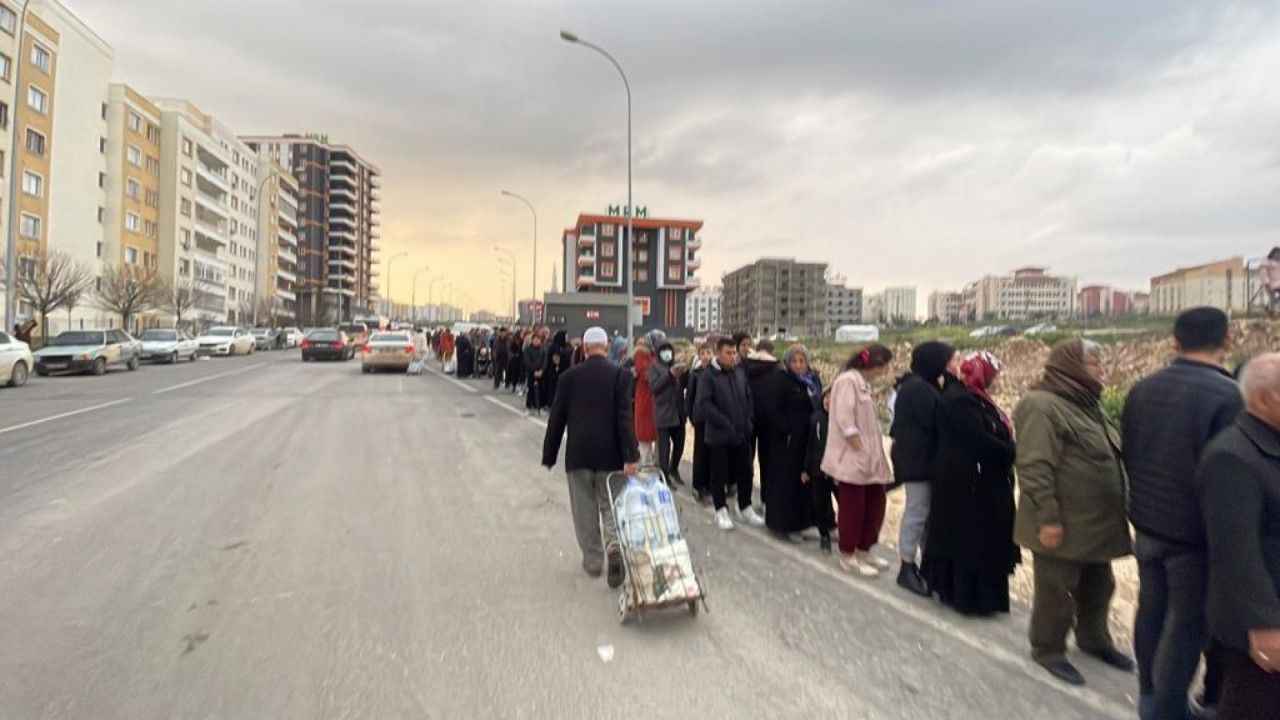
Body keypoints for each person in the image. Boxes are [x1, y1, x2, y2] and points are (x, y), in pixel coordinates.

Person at [1124, 307, 1243, 720]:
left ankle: (1148, 697)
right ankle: (1167, 709)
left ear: (1175, 341)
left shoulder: (1144, 388)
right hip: (1192, 534)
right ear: (1226, 339)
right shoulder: (1228, 396)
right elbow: (1227, 473)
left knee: (1151, 610)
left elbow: (1131, 451)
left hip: (1147, 522)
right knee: (1187, 623)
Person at [1014, 338, 1134, 686]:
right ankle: (1048, 650)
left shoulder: (1085, 405)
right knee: (1057, 591)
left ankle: (1094, 641)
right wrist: (1049, 519)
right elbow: (1035, 467)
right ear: (1070, 367)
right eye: (1093, 364)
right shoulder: (1041, 405)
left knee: (1100, 586)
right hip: (1062, 523)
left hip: (1095, 525)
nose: (1101, 370)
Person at [1198, 352, 1280, 719]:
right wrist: (1264, 625)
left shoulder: (1268, 445)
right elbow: (1236, 552)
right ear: (1264, 399)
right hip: (1259, 628)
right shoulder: (1232, 456)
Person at [541, 326, 641, 589]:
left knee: (584, 510)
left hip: (579, 455)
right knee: (610, 505)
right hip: (611, 456)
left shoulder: (568, 377)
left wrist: (549, 455)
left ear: (584, 349)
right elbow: (625, 419)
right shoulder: (620, 376)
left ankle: (594, 561)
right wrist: (631, 455)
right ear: (606, 347)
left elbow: (557, 420)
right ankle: (613, 547)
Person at [921, 351, 1020, 616]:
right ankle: (968, 598)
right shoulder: (960, 401)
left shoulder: (976, 399)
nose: (995, 382)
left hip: (979, 481)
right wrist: (1011, 451)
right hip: (967, 483)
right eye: (992, 376)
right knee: (970, 541)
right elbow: (978, 440)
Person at [889, 341, 956, 597]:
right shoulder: (919, 390)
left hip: (920, 460)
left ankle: (924, 565)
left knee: (924, 515)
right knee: (917, 513)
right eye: (947, 360)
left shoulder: (920, 385)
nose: (950, 366)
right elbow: (937, 422)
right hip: (918, 462)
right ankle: (906, 566)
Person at [822, 344, 895, 577]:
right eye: (883, 366)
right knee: (853, 508)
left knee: (875, 504)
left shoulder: (863, 383)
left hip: (870, 457)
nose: (884, 371)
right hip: (853, 458)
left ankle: (864, 549)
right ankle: (848, 554)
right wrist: (860, 450)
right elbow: (846, 421)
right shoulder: (847, 381)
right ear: (873, 364)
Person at [694, 337, 765, 531]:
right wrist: (725, 423)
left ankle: (745, 507)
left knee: (746, 471)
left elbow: (748, 397)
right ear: (718, 353)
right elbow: (704, 405)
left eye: (734, 353)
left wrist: (749, 421)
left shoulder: (739, 372)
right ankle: (721, 510)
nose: (732, 356)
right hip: (719, 435)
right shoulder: (708, 375)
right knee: (719, 474)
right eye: (728, 353)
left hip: (741, 433)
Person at [763, 345, 821, 541]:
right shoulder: (781, 380)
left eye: (802, 361)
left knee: (804, 483)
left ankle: (803, 523)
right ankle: (783, 525)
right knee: (785, 483)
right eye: (794, 361)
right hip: (786, 442)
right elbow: (773, 409)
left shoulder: (812, 382)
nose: (798, 365)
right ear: (787, 363)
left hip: (806, 440)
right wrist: (786, 429)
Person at [743, 340, 782, 505]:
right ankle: (766, 500)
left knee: (746, 461)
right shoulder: (777, 369)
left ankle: (745, 500)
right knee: (767, 463)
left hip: (748, 420)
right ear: (771, 352)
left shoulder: (744, 367)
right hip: (769, 422)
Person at [649, 340, 688, 487]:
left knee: (680, 445)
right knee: (664, 449)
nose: (667, 354)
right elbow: (654, 388)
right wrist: (670, 375)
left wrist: (685, 372)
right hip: (663, 413)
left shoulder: (675, 365)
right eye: (664, 351)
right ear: (659, 353)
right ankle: (664, 475)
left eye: (669, 350)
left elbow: (683, 386)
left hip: (678, 413)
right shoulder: (654, 367)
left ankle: (674, 469)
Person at [806, 386, 837, 553]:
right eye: (826, 397)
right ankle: (824, 536)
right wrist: (806, 469)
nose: (828, 401)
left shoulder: (841, 420)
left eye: (832, 398)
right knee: (820, 503)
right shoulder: (816, 419)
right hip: (818, 470)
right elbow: (810, 445)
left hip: (837, 471)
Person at [685, 341, 715, 504]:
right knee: (700, 452)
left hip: (714, 419)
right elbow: (690, 397)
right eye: (703, 353)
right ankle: (698, 486)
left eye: (709, 353)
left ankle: (711, 485)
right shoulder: (695, 374)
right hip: (701, 419)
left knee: (712, 453)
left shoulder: (717, 372)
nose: (706, 356)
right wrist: (691, 416)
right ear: (699, 355)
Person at [632, 343, 658, 464]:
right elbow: (646, 375)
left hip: (649, 401)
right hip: (646, 402)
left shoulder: (647, 357)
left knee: (647, 440)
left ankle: (646, 464)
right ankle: (644, 466)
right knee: (645, 441)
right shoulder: (643, 356)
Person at [542, 330, 572, 407]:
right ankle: (551, 404)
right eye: (566, 336)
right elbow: (556, 360)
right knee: (553, 389)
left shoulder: (565, 346)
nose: (567, 338)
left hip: (562, 371)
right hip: (554, 372)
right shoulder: (555, 347)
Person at [523, 333, 547, 413]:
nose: (536, 341)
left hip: (541, 373)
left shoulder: (543, 349)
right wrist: (534, 371)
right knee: (531, 389)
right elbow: (527, 362)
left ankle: (540, 406)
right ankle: (529, 406)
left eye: (538, 340)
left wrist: (542, 371)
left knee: (542, 390)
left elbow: (545, 361)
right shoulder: (527, 349)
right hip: (531, 373)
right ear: (532, 340)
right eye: (535, 339)